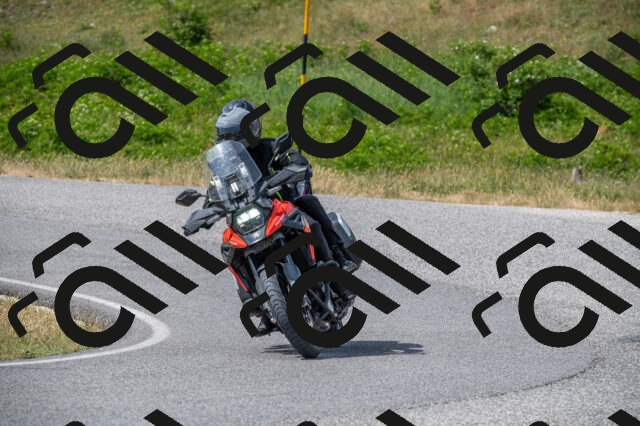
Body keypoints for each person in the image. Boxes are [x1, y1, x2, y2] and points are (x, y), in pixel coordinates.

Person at [212, 100, 356, 335]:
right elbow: (215, 187)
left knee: (308, 208)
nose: (229, 140)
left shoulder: (269, 148)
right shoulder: (223, 163)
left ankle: (337, 260)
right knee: (230, 247)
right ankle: (257, 300)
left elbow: (291, 158)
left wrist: (295, 164)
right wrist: (207, 205)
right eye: (224, 135)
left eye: (233, 134)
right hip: (248, 217)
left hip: (280, 207)